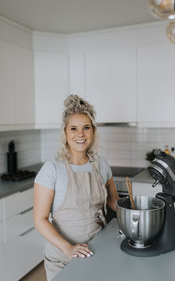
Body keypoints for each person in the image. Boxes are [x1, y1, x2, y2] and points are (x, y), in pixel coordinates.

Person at [34, 94, 119, 280]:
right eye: (73, 128)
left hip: (98, 248)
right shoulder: (51, 170)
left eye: (86, 128)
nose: (80, 134)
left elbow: (114, 200)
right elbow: (40, 219)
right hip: (62, 257)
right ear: (65, 132)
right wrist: (68, 248)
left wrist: (135, 218)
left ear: (93, 132)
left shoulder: (101, 165)